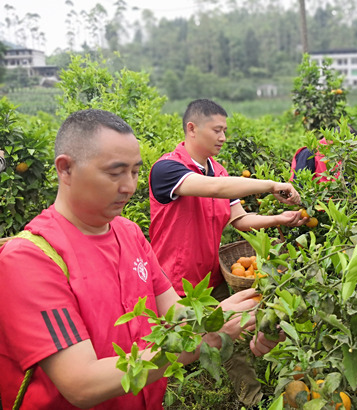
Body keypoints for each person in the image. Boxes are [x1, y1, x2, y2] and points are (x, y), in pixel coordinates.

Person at [0, 109, 281, 409]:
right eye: (114, 172)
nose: (129, 187)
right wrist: (204, 340)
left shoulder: (129, 233)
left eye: (134, 172)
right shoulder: (31, 259)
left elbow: (178, 317)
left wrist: (248, 318)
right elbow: (82, 384)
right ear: (65, 169)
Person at [149, 99, 307, 299]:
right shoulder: (167, 168)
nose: (223, 138)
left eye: (224, 131)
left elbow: (240, 220)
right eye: (217, 130)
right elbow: (216, 188)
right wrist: (272, 185)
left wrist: (279, 219)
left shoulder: (219, 172)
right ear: (192, 129)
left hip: (214, 281)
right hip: (175, 285)